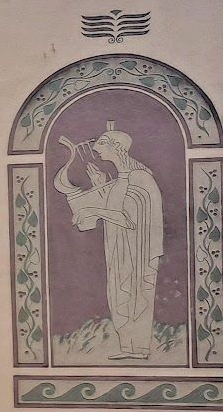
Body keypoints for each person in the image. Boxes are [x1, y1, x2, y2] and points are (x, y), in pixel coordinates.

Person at [55, 123, 163, 360]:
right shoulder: (122, 178)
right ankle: (128, 347)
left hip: (138, 252)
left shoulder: (140, 177)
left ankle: (140, 348)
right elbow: (116, 205)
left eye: (101, 143)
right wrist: (99, 185)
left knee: (135, 294)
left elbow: (131, 219)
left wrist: (95, 211)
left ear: (117, 147)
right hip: (118, 248)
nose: (95, 148)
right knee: (118, 294)